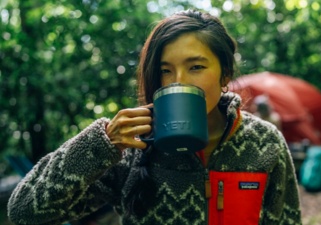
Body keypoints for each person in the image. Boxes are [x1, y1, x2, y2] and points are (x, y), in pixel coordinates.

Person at [8, 9, 302, 225]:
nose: (178, 81)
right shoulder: (131, 150)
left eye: (196, 67)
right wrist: (100, 143)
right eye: (165, 70)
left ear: (225, 73)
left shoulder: (264, 144)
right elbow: (24, 211)